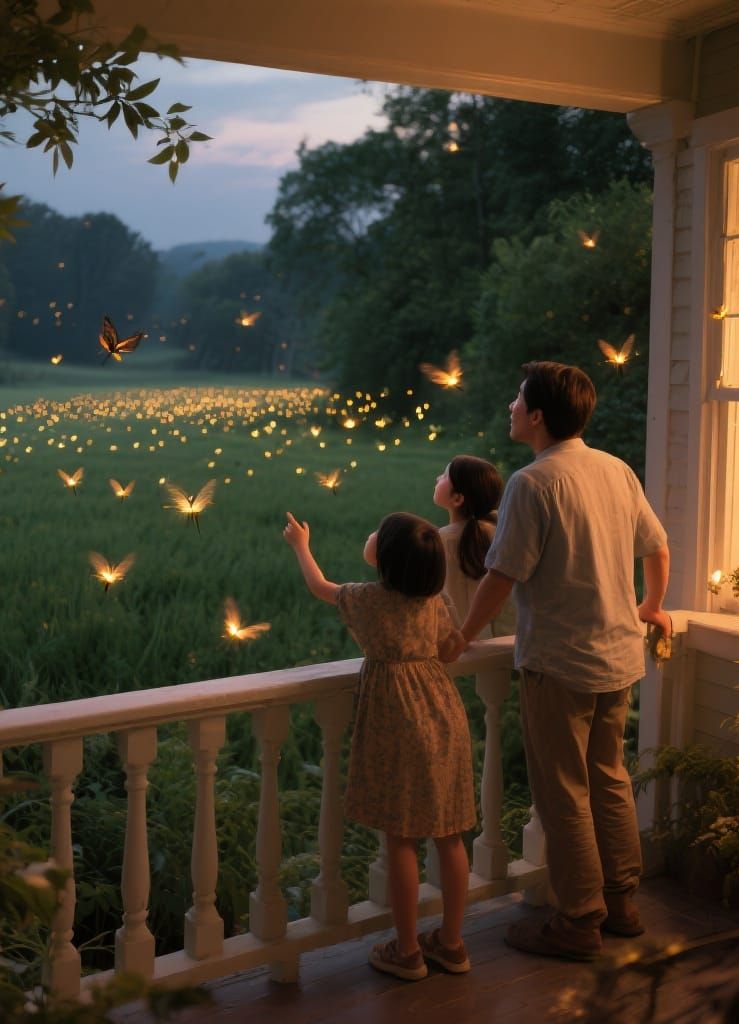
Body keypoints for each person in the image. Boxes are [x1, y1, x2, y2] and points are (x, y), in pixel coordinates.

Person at [445, 361, 671, 962]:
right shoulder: (615, 470)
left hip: (560, 661)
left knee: (565, 792)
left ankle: (578, 920)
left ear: (538, 415)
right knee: (610, 780)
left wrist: (463, 634)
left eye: (519, 399)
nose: (512, 407)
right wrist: (648, 606)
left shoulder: (533, 482)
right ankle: (622, 904)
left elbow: (502, 574)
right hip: (620, 655)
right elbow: (658, 545)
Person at [282, 509, 475, 981]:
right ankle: (451, 943)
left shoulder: (370, 599)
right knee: (450, 833)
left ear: (385, 561)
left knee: (401, 836)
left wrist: (301, 546)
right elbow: (452, 645)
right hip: (443, 712)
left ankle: (407, 951)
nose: (369, 537)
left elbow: (321, 586)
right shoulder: (434, 600)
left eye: (377, 536)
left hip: (398, 719)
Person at [433, 455, 516, 637]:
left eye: (445, 476)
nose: (437, 478)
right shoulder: (500, 531)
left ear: (457, 498)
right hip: (506, 640)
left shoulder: (443, 540)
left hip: (464, 643)